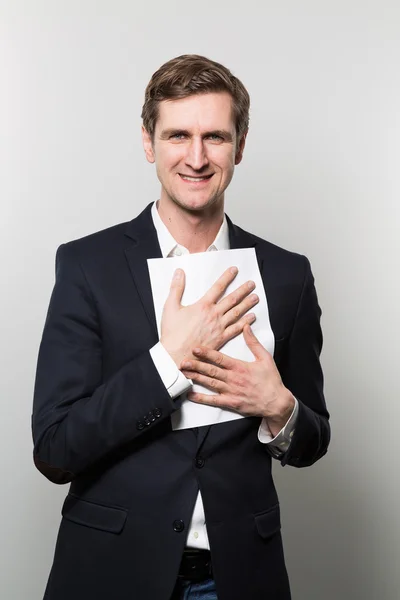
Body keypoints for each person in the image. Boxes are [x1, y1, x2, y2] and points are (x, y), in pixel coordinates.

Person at [32, 54, 330, 600]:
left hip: (238, 576)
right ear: (149, 143)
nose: (196, 157)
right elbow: (54, 449)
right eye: (177, 136)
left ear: (239, 146)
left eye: (215, 136)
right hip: (111, 571)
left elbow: (313, 439)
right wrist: (166, 362)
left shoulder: (287, 275)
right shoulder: (86, 267)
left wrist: (280, 409)